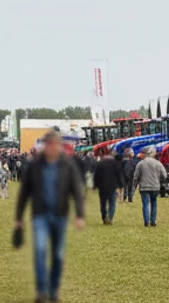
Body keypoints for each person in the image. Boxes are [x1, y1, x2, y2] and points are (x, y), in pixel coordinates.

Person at [15, 130, 86, 303]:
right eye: (49, 145)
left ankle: (53, 291)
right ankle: (41, 292)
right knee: (40, 251)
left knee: (58, 255)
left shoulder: (67, 164)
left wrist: (79, 214)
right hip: (40, 215)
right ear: (45, 146)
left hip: (60, 215)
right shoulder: (35, 165)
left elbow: (76, 189)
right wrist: (18, 218)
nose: (52, 149)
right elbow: (25, 192)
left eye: (55, 145)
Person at [133, 147, 166, 227]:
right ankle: (153, 221)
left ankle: (146, 221)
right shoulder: (158, 163)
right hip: (155, 187)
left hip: (144, 187)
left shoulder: (140, 163)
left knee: (145, 204)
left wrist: (134, 186)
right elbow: (164, 175)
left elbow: (136, 176)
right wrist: (159, 180)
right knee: (154, 203)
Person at [92, 151, 124, 225]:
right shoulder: (115, 164)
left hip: (102, 187)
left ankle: (104, 217)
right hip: (112, 186)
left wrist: (95, 185)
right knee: (112, 203)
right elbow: (119, 175)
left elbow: (96, 175)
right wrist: (120, 185)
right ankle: (110, 217)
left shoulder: (100, 163)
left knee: (103, 203)